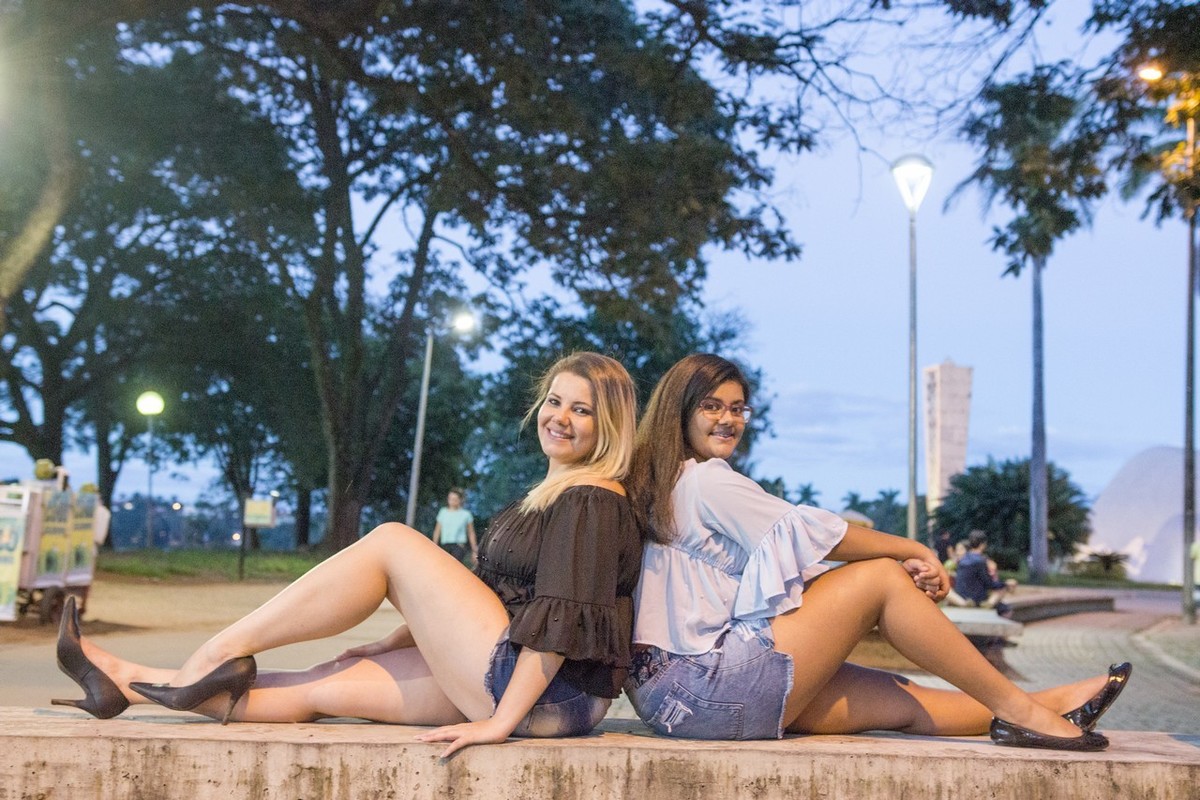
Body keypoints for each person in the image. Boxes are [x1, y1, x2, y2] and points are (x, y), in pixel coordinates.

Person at [52, 352, 642, 757]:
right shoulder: (554, 496)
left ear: (609, 424)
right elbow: (492, 600)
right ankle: (123, 681)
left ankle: (219, 651)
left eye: (582, 410)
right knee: (322, 684)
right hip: (530, 686)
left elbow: (562, 621)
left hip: (545, 694)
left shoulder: (592, 499)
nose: (559, 418)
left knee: (392, 541)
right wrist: (399, 640)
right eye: (554, 401)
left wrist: (499, 724)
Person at [623, 354, 1130, 752]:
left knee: (902, 701)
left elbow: (789, 568)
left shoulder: (662, 485)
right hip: (707, 685)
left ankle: (1049, 704)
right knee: (882, 577)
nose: (728, 419)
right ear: (680, 412)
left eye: (738, 408)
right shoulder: (706, 480)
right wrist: (912, 548)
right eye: (712, 406)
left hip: (674, 700)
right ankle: (1025, 713)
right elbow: (814, 535)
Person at [945, 530, 1017, 611]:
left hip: (961, 596)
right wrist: (1005, 584)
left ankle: (963, 603)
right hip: (978, 598)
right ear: (983, 545)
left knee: (947, 591)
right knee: (1002, 588)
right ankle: (989, 603)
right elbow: (988, 583)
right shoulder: (980, 561)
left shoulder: (962, 560)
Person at [432, 488, 478, 565]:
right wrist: (434, 545)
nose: (452, 501)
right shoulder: (443, 512)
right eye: (450, 499)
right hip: (445, 545)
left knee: (454, 565)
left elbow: (471, 533)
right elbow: (437, 530)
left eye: (454, 499)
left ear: (460, 500)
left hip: (458, 546)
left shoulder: (466, 514)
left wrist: (474, 550)